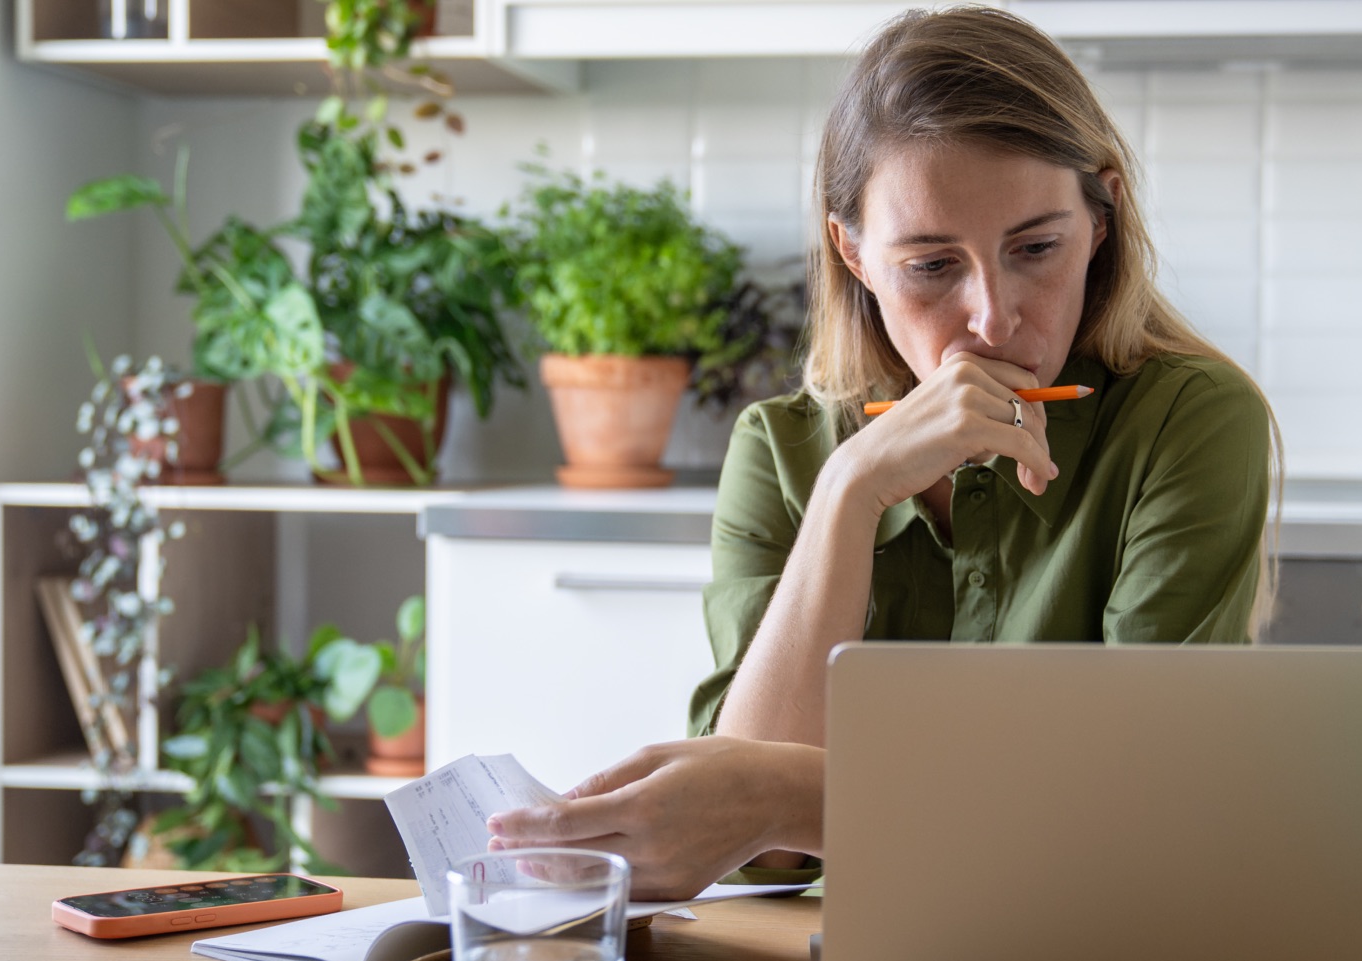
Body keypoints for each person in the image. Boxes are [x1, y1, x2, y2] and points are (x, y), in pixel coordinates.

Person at [487, 4, 1281, 900]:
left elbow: (1145, 806)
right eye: (932, 266)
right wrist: (850, 490)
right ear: (854, 254)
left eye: (1036, 247)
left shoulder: (1190, 419)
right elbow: (757, 854)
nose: (992, 319)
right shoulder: (783, 450)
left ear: (1102, 219)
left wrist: (786, 796)